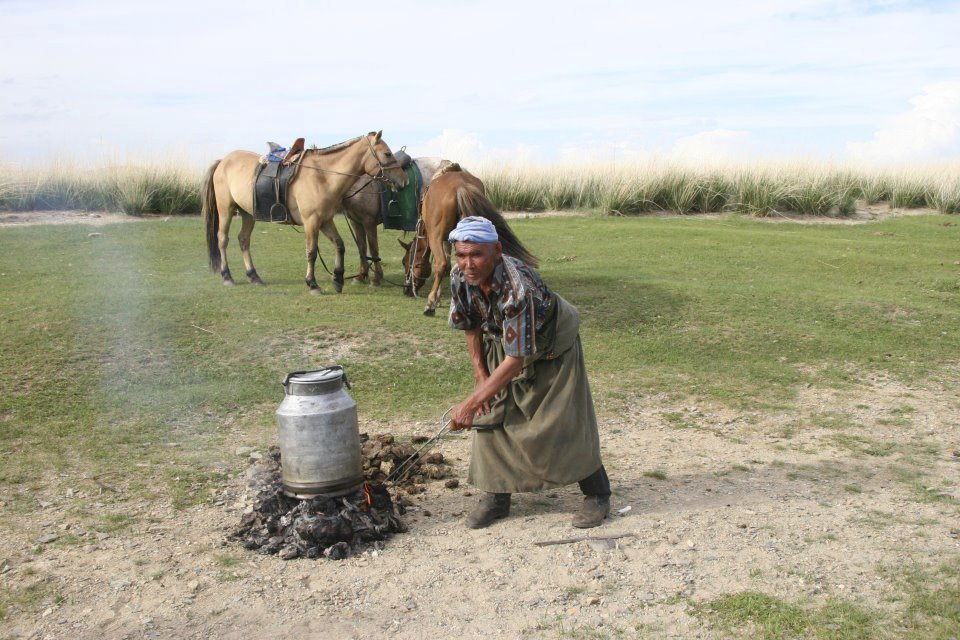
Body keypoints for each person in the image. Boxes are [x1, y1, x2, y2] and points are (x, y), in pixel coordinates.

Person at [446, 216, 611, 529]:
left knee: (562, 419)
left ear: (496, 250)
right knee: (491, 412)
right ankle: (496, 496)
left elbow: (517, 360)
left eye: (476, 254)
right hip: (505, 339)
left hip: (551, 344)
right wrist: (481, 378)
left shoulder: (518, 288)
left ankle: (597, 494)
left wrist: (469, 403)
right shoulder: (460, 276)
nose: (468, 263)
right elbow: (470, 325)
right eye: (461, 254)